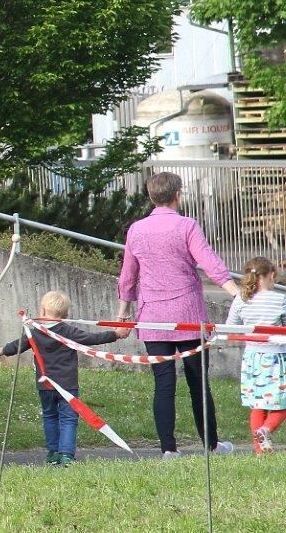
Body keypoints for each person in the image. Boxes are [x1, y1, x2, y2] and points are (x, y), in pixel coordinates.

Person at [116, 171, 240, 458]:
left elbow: (128, 276)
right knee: (198, 382)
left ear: (150, 196)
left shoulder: (136, 229)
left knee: (163, 384)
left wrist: (123, 314)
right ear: (177, 195)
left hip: (152, 317)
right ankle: (211, 445)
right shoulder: (187, 225)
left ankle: (168, 450)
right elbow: (209, 261)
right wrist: (235, 292)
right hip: (188, 316)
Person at [0, 291, 129, 466]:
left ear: (42, 310)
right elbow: (91, 338)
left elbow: (17, 345)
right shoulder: (67, 330)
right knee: (68, 418)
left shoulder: (34, 332)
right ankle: (66, 455)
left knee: (50, 416)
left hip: (45, 385)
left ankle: (53, 453)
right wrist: (115, 334)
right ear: (65, 315)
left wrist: (3, 350)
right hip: (67, 385)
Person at [225, 256, 286, 455]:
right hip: (277, 358)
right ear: (271, 275)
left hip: (252, 359)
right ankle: (266, 430)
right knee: (282, 401)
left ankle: (260, 451)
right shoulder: (280, 299)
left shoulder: (241, 300)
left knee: (258, 403)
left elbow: (230, 326)